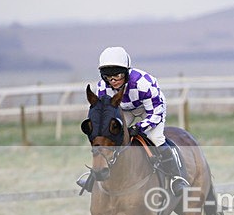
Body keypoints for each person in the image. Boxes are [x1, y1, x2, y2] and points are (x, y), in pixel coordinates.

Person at [78, 46, 189, 195]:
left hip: (149, 108)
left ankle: (177, 178)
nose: (113, 80)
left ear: (126, 72)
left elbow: (156, 112)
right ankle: (94, 175)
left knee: (156, 137)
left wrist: (140, 127)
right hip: (124, 108)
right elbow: (103, 117)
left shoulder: (144, 84)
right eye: (107, 77)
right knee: (108, 136)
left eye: (117, 75)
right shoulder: (102, 88)